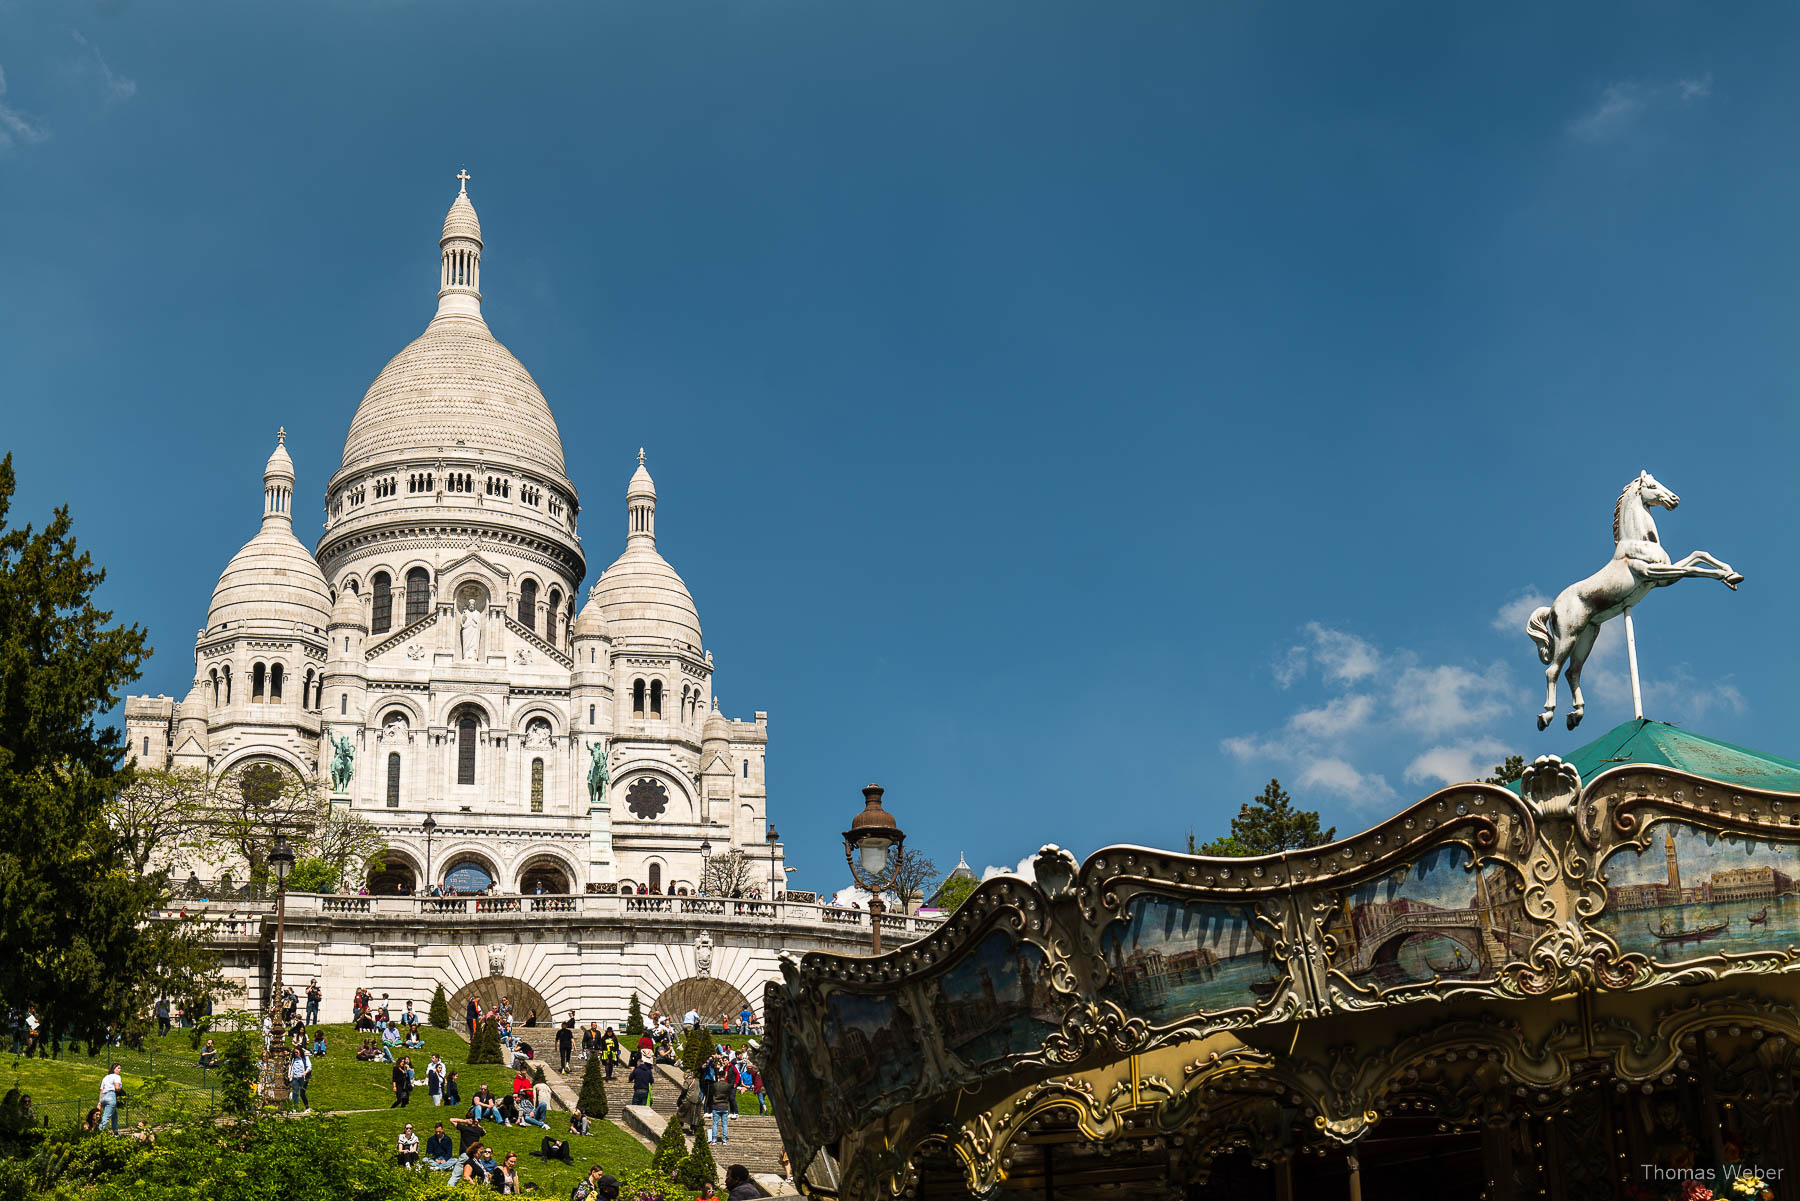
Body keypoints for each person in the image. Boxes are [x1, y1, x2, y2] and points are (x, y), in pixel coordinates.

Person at [98, 1062, 123, 1135]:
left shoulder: (105, 1077)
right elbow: (117, 1087)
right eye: (118, 1068)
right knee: (106, 1117)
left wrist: (99, 1102)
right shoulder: (117, 1076)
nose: (119, 1070)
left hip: (103, 1097)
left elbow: (101, 1090)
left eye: (120, 1068)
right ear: (113, 1069)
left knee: (114, 1114)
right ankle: (98, 1132)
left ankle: (116, 1132)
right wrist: (120, 1091)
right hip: (111, 1096)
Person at [708, 1072, 732, 1145]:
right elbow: (729, 1094)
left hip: (716, 1105)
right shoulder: (728, 1086)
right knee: (724, 1124)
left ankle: (714, 1140)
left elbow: (712, 1094)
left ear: (718, 1076)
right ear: (725, 1076)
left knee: (715, 1123)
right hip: (724, 1105)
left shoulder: (715, 1085)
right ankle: (724, 1140)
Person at [289, 1045, 313, 1112]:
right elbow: (291, 1068)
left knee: (302, 1093)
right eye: (295, 1053)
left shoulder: (305, 1058)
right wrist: (290, 1076)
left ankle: (307, 1107)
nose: (296, 1054)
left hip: (303, 1078)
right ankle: (295, 1108)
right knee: (295, 1093)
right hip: (295, 1077)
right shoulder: (293, 1059)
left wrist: (305, 1073)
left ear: (300, 1052)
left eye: (297, 1052)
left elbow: (309, 1067)